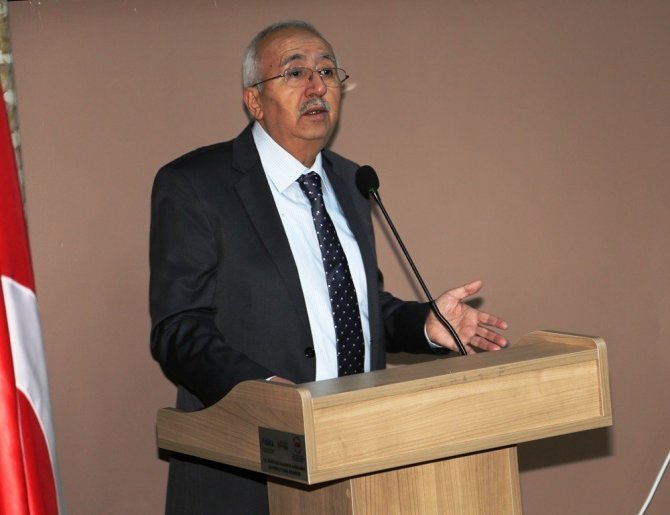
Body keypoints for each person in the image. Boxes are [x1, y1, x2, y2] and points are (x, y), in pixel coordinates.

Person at [149, 20, 508, 515]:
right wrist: (264, 395)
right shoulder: (195, 184)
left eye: (327, 71)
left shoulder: (351, 181)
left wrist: (424, 323)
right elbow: (179, 329)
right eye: (295, 72)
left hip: (356, 457)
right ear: (254, 100)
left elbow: (354, 308)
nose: (317, 86)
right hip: (247, 467)